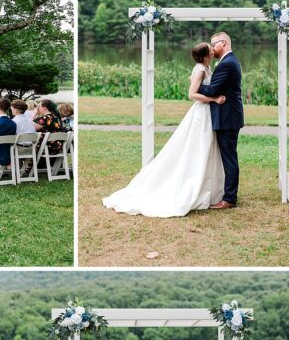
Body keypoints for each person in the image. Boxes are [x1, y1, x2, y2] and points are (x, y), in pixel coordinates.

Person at [103, 41, 227, 217]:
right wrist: (213, 99)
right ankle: (194, 186)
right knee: (199, 147)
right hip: (202, 112)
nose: (214, 49)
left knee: (207, 148)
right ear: (206, 55)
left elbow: (198, 84)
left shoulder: (205, 67)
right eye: (211, 48)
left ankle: (209, 188)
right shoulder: (200, 69)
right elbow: (192, 94)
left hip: (207, 113)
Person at [197, 32, 244, 210]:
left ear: (223, 43)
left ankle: (230, 198)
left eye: (213, 44)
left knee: (229, 158)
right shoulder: (228, 61)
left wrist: (196, 82)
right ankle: (227, 193)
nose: (211, 48)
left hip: (228, 117)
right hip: (229, 116)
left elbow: (213, 89)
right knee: (228, 156)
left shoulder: (227, 63)